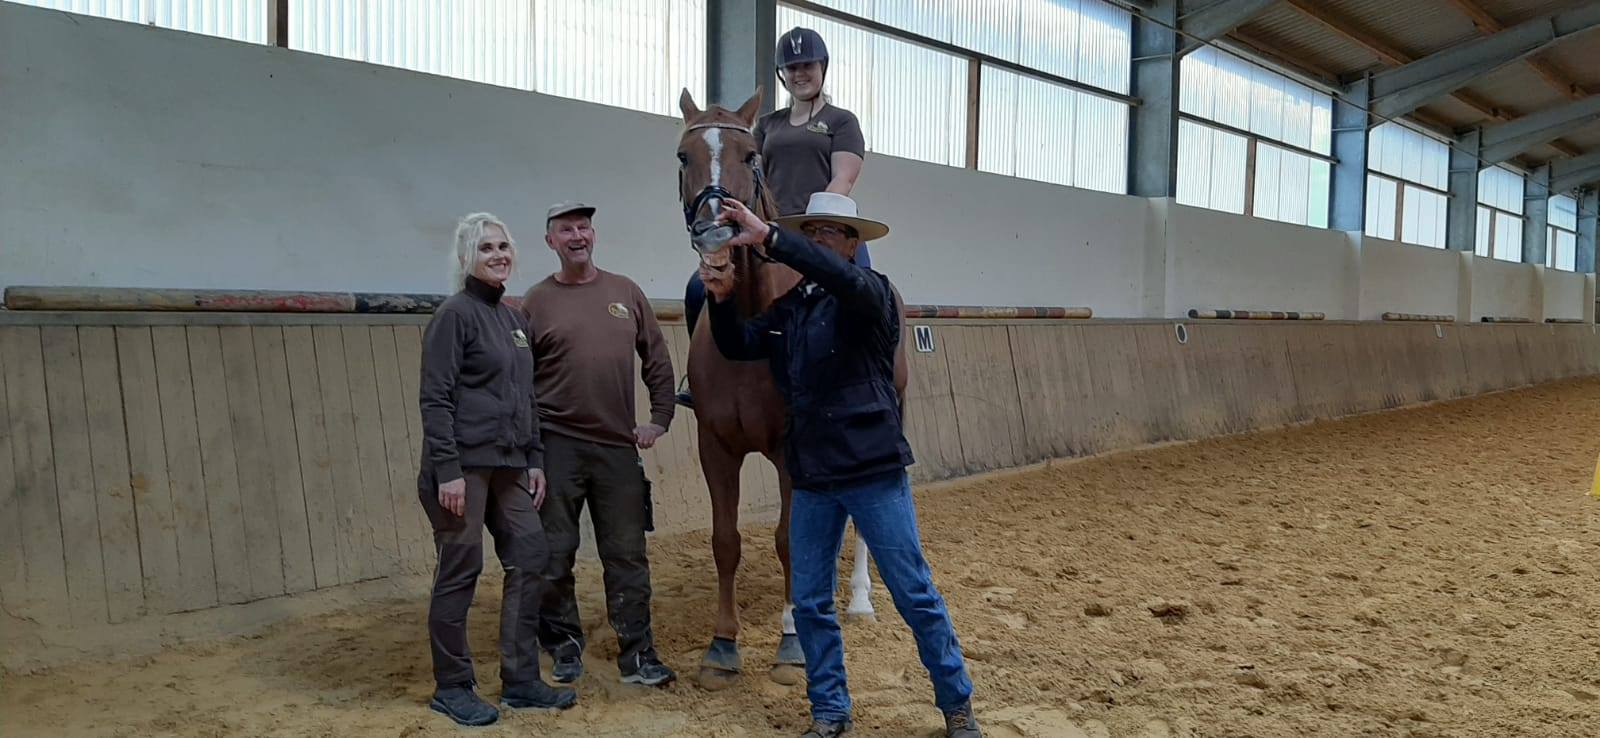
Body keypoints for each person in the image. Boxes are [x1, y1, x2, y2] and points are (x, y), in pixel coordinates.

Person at [700, 193, 982, 738]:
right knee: (810, 602)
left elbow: (837, 277)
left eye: (830, 232)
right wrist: (721, 298)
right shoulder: (792, 308)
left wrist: (772, 238)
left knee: (914, 594)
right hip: (812, 475)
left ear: (853, 245)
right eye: (811, 231)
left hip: (872, 469)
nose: (818, 240)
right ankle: (830, 710)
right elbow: (738, 344)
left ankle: (957, 704)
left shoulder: (870, 293)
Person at [416, 213, 577, 727]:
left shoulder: (514, 321)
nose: (498, 255)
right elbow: (435, 398)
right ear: (467, 256)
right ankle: (452, 685)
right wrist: (447, 470)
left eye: (503, 246)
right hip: (463, 466)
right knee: (460, 570)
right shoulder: (453, 316)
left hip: (510, 464)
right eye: (486, 247)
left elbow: (526, 397)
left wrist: (534, 459)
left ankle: (521, 679)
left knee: (531, 554)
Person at [521, 202, 679, 687]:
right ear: (550, 241)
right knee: (554, 553)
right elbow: (519, 381)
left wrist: (659, 419)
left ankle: (638, 654)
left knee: (627, 554)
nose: (577, 236)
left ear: (593, 234)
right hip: (556, 445)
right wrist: (529, 453)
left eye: (584, 227)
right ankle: (563, 645)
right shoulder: (535, 301)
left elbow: (656, 359)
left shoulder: (625, 291)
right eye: (566, 229)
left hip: (616, 447)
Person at [678, 26, 868, 408]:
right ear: (782, 74)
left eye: (807, 65)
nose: (800, 73)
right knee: (699, 287)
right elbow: (751, 175)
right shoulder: (767, 125)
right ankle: (699, 379)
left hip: (825, 229)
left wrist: (813, 228)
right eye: (791, 67)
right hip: (767, 232)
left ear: (823, 67)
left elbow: (843, 178)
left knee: (863, 289)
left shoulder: (841, 121)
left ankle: (865, 376)